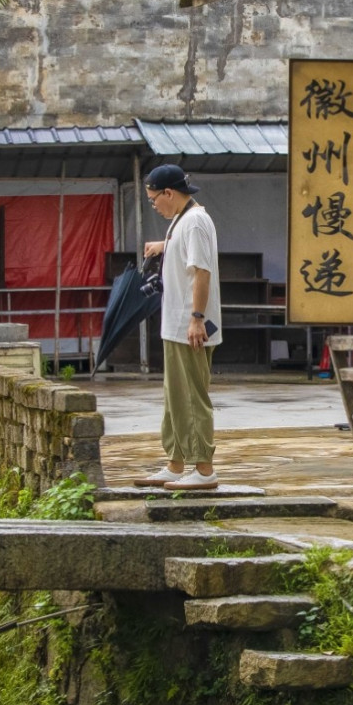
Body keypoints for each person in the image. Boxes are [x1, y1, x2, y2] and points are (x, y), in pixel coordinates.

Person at [141, 163, 222, 491]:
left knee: (192, 397)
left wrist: (196, 318)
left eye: (153, 200)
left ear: (169, 193)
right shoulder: (181, 220)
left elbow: (201, 272)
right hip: (175, 325)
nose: (154, 205)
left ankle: (204, 470)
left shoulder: (195, 222)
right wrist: (163, 246)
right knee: (175, 397)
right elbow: (185, 252)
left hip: (190, 325)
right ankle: (176, 464)